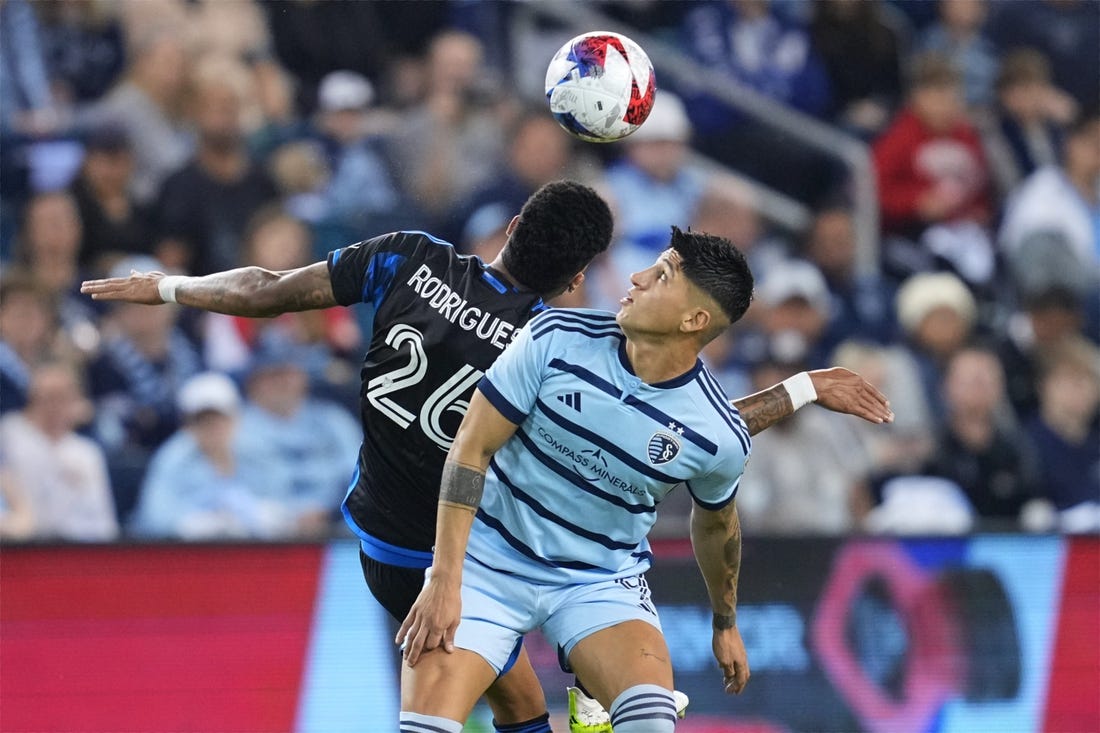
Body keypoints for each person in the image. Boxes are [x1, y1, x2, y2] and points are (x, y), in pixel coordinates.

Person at [82, 181, 892, 731]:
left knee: (522, 709)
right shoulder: (554, 343)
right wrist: (800, 391)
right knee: (521, 713)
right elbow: (690, 424)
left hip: (385, 543)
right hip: (461, 556)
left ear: (509, 230)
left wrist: (167, 288)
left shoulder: (410, 257)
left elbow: (262, 288)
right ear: (577, 279)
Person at [393, 227, 892, 733]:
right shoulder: (555, 339)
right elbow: (470, 450)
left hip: (596, 580)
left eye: (660, 276)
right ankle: (587, 706)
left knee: (651, 724)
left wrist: (725, 624)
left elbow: (718, 527)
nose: (635, 277)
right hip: (487, 565)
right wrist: (443, 577)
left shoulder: (717, 433)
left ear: (693, 319)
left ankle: (592, 705)